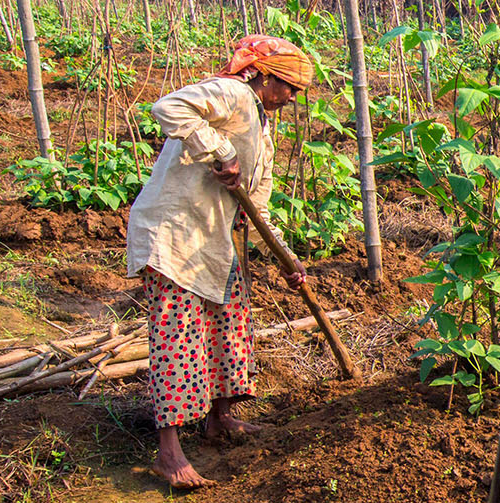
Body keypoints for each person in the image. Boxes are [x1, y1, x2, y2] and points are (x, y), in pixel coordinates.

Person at [125, 34, 312, 489]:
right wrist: (220, 150)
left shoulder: (263, 127)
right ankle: (169, 453)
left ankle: (219, 418)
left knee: (229, 323)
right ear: (263, 76)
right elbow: (166, 108)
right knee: (177, 337)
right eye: (287, 86)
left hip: (211, 242)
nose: (291, 97)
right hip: (173, 236)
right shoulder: (232, 93)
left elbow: (258, 208)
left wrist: (287, 257)